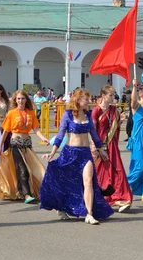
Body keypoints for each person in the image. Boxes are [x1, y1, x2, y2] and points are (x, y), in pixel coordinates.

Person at [40, 89, 114, 224]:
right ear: (78, 100)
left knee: (88, 181)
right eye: (86, 99)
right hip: (70, 153)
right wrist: (52, 152)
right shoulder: (68, 115)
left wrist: (101, 149)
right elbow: (60, 135)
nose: (89, 102)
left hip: (85, 153)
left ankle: (89, 214)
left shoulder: (88, 115)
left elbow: (94, 135)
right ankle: (61, 207)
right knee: (66, 183)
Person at [0, 90, 49, 203]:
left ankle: (37, 191)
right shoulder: (12, 113)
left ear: (26, 100)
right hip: (16, 144)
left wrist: (43, 138)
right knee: (22, 169)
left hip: (27, 144)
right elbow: (5, 132)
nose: (21, 101)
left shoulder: (31, 113)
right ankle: (26, 194)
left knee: (36, 169)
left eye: (23, 98)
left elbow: (36, 129)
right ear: (15, 100)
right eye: (18, 99)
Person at [92, 85, 133, 212]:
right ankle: (98, 199)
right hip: (100, 145)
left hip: (112, 145)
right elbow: (92, 130)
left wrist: (120, 121)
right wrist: (95, 146)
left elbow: (114, 128)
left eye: (114, 94)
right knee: (99, 174)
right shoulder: (96, 111)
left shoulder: (115, 110)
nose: (113, 97)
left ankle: (122, 198)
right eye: (110, 95)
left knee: (117, 170)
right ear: (103, 96)